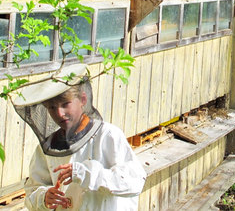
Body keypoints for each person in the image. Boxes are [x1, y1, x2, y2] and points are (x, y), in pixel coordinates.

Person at [12, 64, 146, 210]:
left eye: (65, 104)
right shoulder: (48, 148)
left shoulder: (108, 136)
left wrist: (87, 174)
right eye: (52, 107)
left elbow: (135, 182)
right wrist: (44, 197)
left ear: (82, 99)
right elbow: (32, 191)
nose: (59, 113)